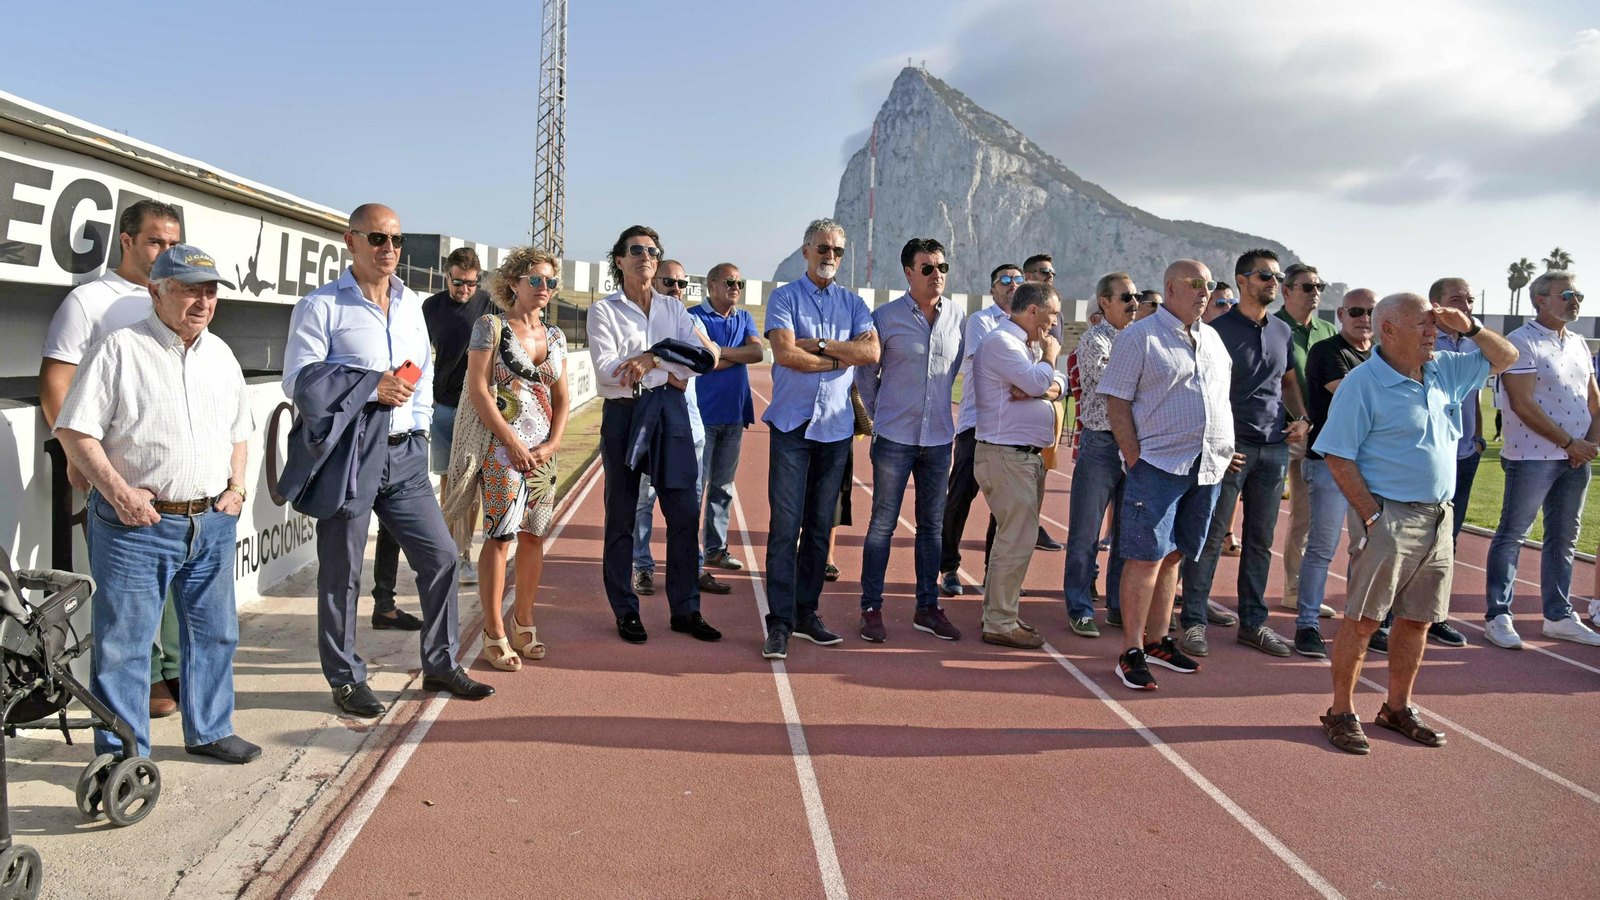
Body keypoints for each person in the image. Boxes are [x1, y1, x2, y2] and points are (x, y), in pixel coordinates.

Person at [282, 204, 492, 719]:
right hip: (351, 454)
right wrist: (368, 385)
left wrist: (419, 428)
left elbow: (422, 372)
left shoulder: (410, 304)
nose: (389, 249)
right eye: (377, 238)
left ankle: (440, 663)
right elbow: (298, 379)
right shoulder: (321, 305)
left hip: (406, 454)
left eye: (397, 241)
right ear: (350, 241)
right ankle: (345, 679)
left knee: (441, 557)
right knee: (342, 573)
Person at [54, 244, 259, 764]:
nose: (203, 301)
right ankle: (123, 757)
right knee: (124, 646)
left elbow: (239, 432)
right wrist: (118, 493)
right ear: (156, 291)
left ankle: (210, 730)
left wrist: (236, 488)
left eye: (210, 291)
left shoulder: (221, 354)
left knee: (215, 634)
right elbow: (74, 431)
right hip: (136, 526)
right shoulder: (119, 350)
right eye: (189, 289)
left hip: (211, 522)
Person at [1315, 293, 1517, 754]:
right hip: (1390, 517)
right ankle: (1340, 711)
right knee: (1363, 621)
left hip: (1439, 517)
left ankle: (1396, 708)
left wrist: (1470, 327)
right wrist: (1373, 516)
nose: (1433, 333)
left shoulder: (1444, 367)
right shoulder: (1362, 383)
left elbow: (1506, 357)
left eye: (1435, 325)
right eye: (1422, 325)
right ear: (1388, 330)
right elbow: (1338, 456)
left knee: (1418, 621)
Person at [40, 199, 184, 718]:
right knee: (126, 592)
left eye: (173, 243)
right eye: (155, 241)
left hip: (174, 471)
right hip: (115, 472)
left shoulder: (181, 295)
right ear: (126, 241)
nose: (165, 251)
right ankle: (145, 679)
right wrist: (76, 456)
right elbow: (55, 382)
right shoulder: (89, 301)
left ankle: (177, 670)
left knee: (176, 583)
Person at [1098, 260, 1235, 690]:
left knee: (1175, 553)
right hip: (1158, 465)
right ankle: (1131, 650)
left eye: (1209, 285)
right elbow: (1116, 400)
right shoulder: (1139, 336)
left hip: (1206, 466)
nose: (1205, 292)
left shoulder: (1213, 338)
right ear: (1171, 288)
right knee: (1144, 558)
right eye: (1196, 284)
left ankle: (1158, 640)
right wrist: (1135, 458)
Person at [589, 228, 723, 645]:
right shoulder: (603, 311)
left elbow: (702, 359)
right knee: (621, 516)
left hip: (670, 413)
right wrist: (669, 366)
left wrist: (653, 359)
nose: (645, 256)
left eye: (652, 250)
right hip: (625, 414)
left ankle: (686, 610)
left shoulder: (674, 308)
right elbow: (608, 372)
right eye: (636, 250)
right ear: (619, 260)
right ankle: (626, 610)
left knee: (684, 514)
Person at [1177, 249, 1310, 661]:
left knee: (1260, 541)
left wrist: (1302, 417)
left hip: (1274, 449)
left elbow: (1288, 382)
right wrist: (1221, 444)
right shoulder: (1215, 331)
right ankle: (1193, 621)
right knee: (1211, 537)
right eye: (1265, 276)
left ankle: (1253, 624)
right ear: (1242, 280)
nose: (1273, 283)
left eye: (1277, 277)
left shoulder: (1282, 331)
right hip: (1230, 451)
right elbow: (1200, 391)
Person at [760, 219, 879, 660]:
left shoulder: (854, 302)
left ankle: (806, 613)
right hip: (791, 426)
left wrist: (821, 345)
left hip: (835, 430)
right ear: (806, 250)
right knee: (784, 528)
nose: (831, 256)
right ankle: (779, 622)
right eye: (824, 248)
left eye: (838, 250)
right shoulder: (784, 297)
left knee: (817, 529)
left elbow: (871, 352)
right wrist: (839, 358)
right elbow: (786, 354)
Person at [371, 246, 492, 632]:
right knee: (446, 484)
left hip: (477, 409)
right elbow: (416, 357)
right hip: (441, 410)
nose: (465, 289)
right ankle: (449, 551)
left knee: (470, 483)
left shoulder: (490, 304)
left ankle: (463, 554)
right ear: (446, 277)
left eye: (471, 283)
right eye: (458, 282)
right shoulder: (429, 308)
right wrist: (421, 400)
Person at [459, 247, 570, 671]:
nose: (544, 288)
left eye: (551, 281)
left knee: (534, 537)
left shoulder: (556, 337)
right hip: (502, 451)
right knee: (500, 537)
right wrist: (511, 442)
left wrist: (554, 443)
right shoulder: (490, 327)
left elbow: (562, 398)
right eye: (535, 280)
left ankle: (524, 623)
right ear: (513, 283)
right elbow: (479, 390)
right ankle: (494, 632)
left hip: (543, 455)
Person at [855, 238, 965, 642]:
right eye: (928, 268)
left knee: (932, 528)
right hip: (894, 438)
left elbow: (953, 372)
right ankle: (871, 608)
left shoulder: (957, 317)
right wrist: (881, 413)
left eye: (942, 267)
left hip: (937, 439)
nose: (937, 274)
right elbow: (865, 374)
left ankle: (927, 607)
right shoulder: (884, 318)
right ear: (908, 272)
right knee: (882, 524)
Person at [1483, 271, 1600, 649]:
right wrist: (1570, 442)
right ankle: (1498, 615)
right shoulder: (1520, 342)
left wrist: (1590, 444)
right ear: (1540, 300)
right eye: (1566, 294)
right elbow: (1522, 403)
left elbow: (1594, 400)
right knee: (1513, 535)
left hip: (1576, 459)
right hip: (1532, 457)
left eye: (1578, 294)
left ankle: (1559, 616)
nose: (1575, 300)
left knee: (1565, 538)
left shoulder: (1579, 343)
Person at [972, 282, 1066, 649]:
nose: (1054, 322)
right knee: (1016, 541)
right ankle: (1000, 621)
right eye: (1052, 314)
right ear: (1032, 311)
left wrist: (1044, 382)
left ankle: (1000, 614)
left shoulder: (1024, 347)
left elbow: (1056, 384)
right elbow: (1041, 381)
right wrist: (1049, 361)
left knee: (1013, 541)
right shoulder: (1002, 343)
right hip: (1006, 455)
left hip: (1021, 456)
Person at [631, 261, 731, 596]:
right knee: (643, 504)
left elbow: (710, 356)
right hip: (652, 428)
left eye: (682, 284)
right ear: (653, 282)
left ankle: (694, 568)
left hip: (691, 429)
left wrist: (663, 359)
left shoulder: (689, 319)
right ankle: (643, 568)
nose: (677, 289)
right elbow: (639, 368)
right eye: (669, 282)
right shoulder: (642, 321)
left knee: (690, 506)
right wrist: (674, 366)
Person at [1291, 289, 1376, 658]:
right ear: (1341, 314)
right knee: (1322, 548)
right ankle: (1306, 624)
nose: (1364, 318)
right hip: (1330, 462)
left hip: (1372, 466)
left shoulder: (1379, 355)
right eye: (1356, 311)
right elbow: (1354, 397)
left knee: (1367, 550)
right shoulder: (1327, 351)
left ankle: (1360, 623)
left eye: (1371, 311)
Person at [1061, 272, 1139, 638]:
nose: (1134, 303)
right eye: (1126, 297)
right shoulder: (1094, 340)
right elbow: (1117, 384)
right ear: (1104, 302)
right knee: (1085, 533)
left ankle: (1119, 607)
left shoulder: (1139, 339)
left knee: (1127, 534)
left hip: (1135, 446)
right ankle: (1080, 608)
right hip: (1102, 445)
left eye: (1135, 297)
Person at [939, 263, 1023, 595]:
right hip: (977, 425)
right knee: (960, 498)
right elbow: (987, 365)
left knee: (1003, 507)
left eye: (1018, 279)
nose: (1013, 284)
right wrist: (1024, 377)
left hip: (1011, 429)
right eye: (1006, 280)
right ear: (993, 289)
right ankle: (948, 567)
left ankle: (994, 573)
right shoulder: (981, 320)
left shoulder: (1027, 324)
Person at [688, 264, 764, 574]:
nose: (736, 288)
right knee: (695, 489)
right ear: (711, 286)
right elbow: (705, 362)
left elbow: (757, 353)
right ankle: (688, 552)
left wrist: (720, 352)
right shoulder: (693, 317)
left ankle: (715, 550)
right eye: (730, 282)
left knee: (723, 487)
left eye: (739, 283)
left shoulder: (744, 317)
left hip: (734, 415)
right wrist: (731, 354)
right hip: (702, 417)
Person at [1276, 263, 1339, 620]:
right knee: (1255, 517)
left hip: (1319, 436)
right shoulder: (1272, 327)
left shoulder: (1328, 331)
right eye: (1306, 286)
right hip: (1278, 433)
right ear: (1286, 291)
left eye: (1319, 286)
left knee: (1305, 515)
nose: (1315, 292)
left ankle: (1294, 590)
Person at [1019, 253, 1065, 552]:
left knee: (1041, 471)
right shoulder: (1016, 311)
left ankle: (1033, 526)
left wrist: (1053, 389)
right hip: (1017, 408)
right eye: (1043, 272)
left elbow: (1056, 362)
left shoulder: (1056, 313)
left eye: (1052, 272)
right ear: (1028, 276)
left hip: (1047, 401)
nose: (1049, 276)